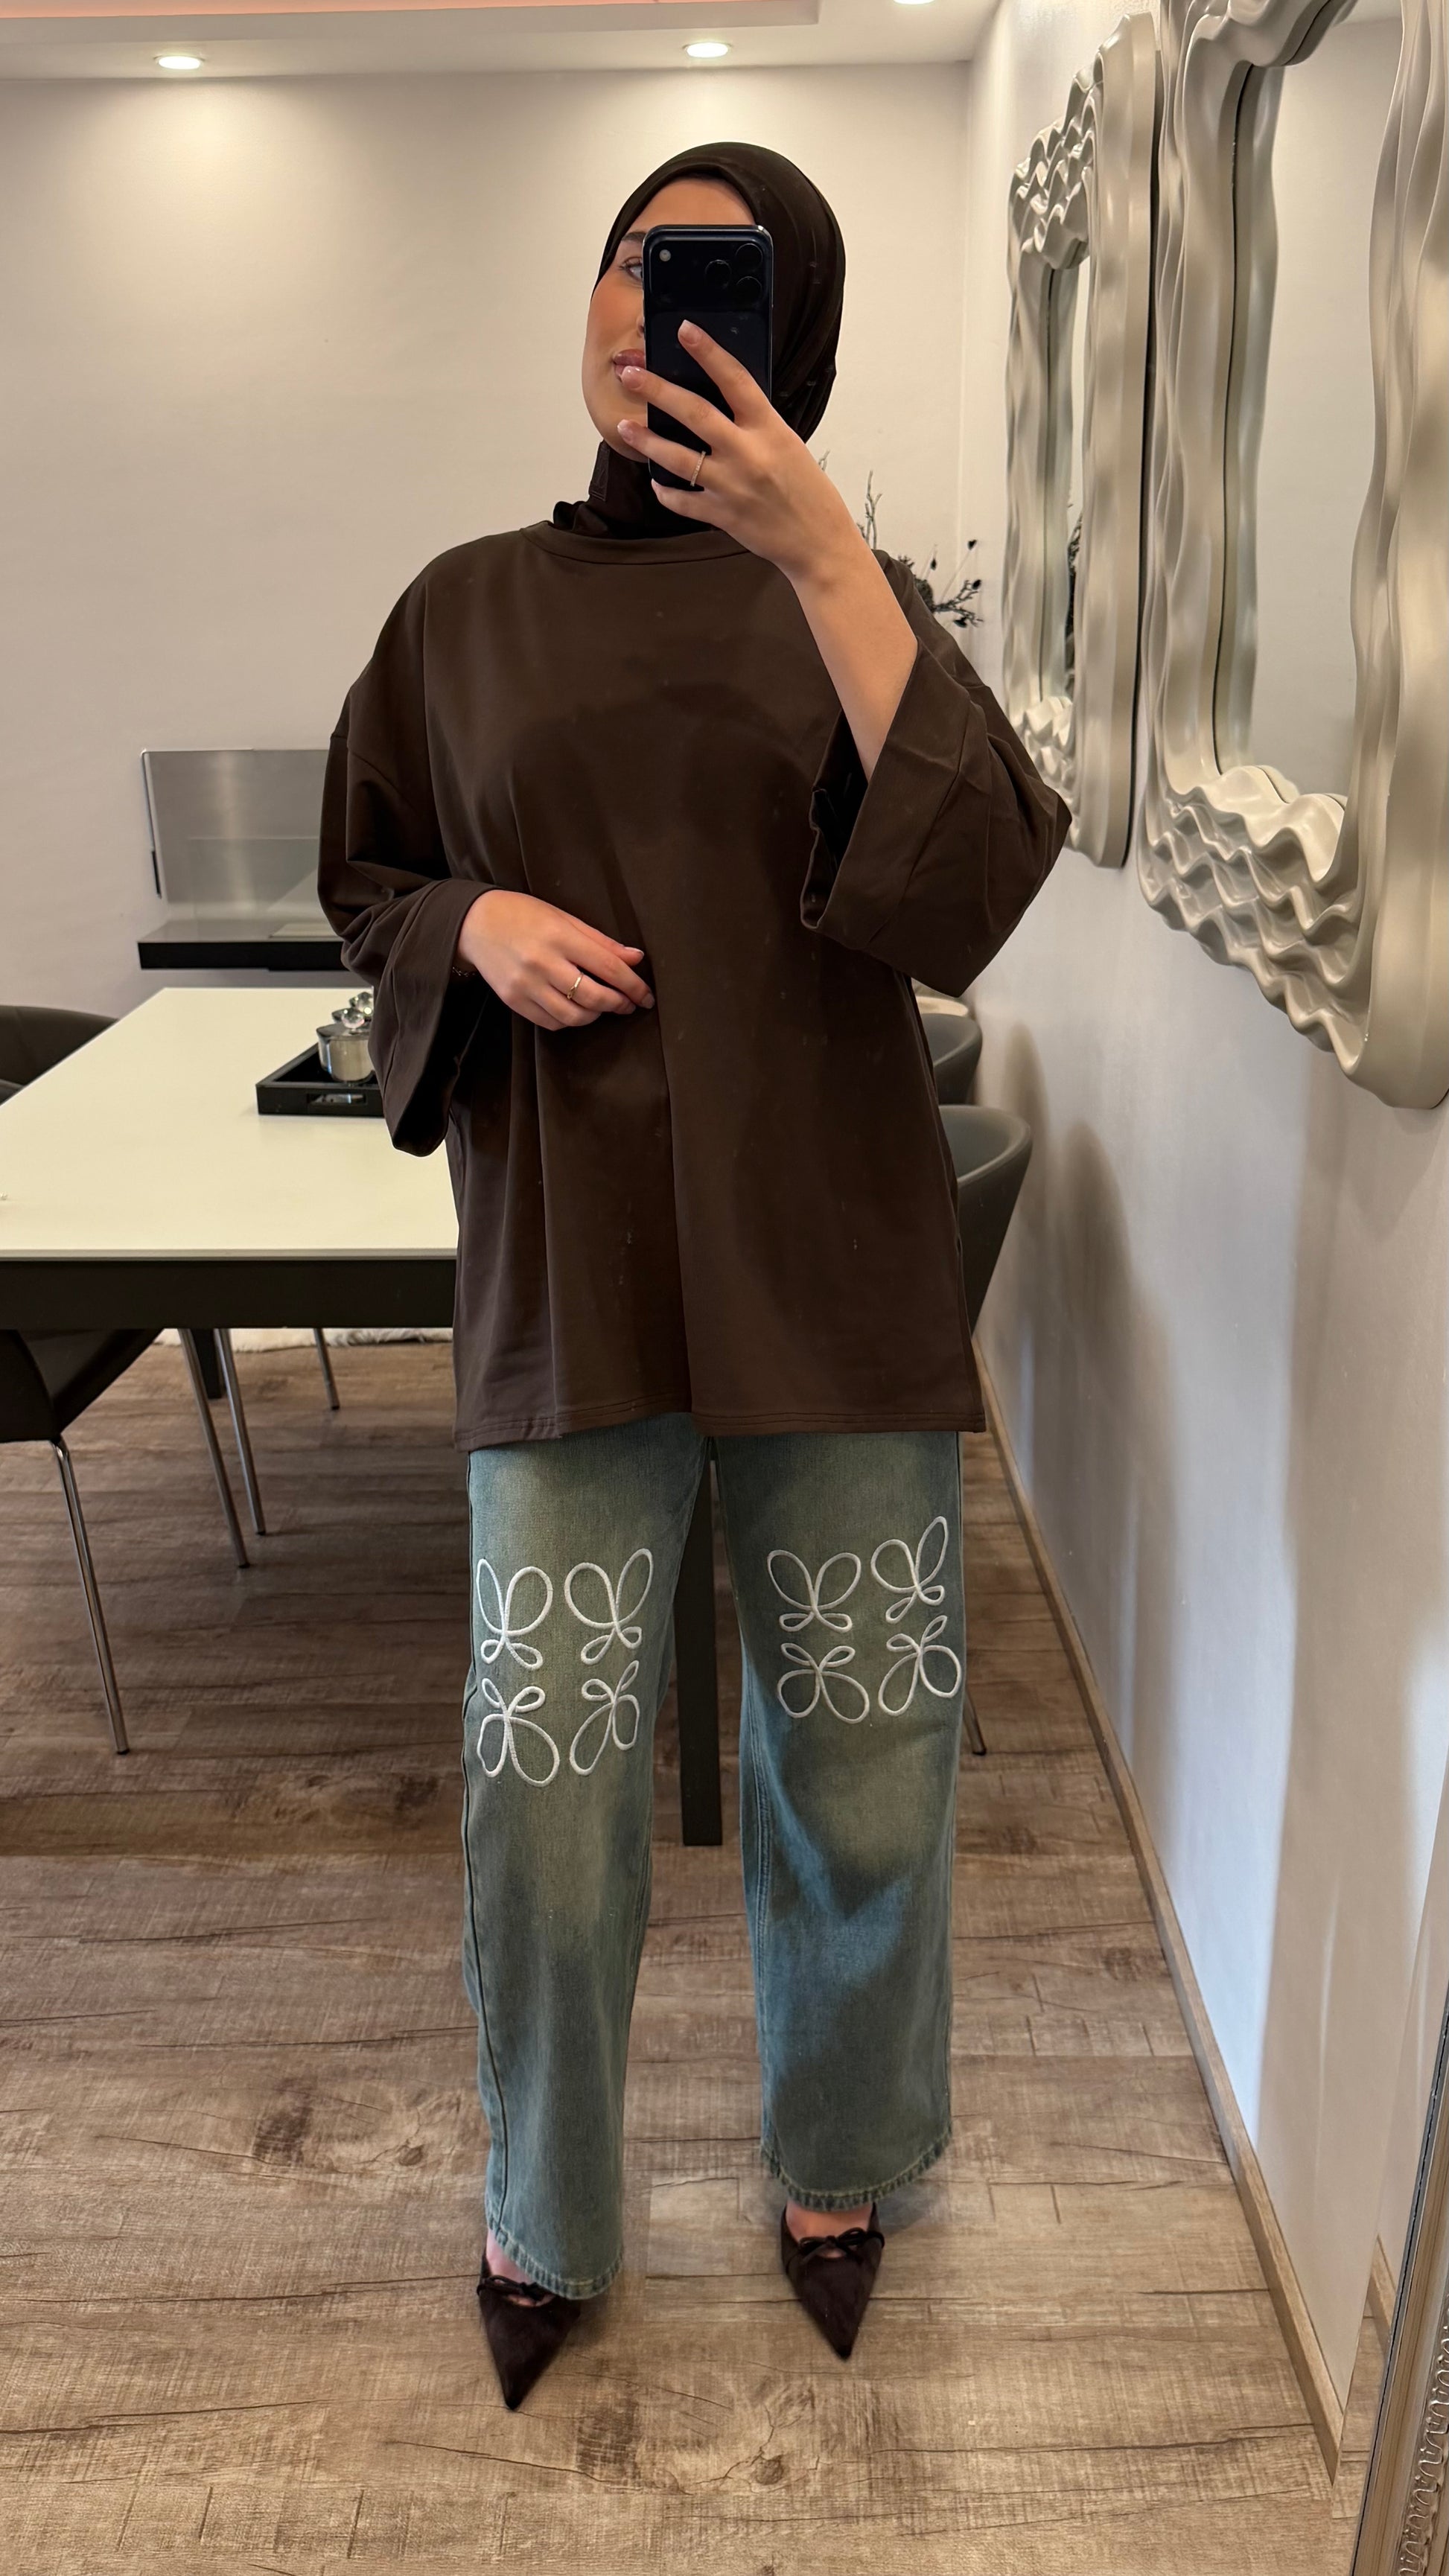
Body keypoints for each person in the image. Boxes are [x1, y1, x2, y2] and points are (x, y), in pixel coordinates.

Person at [319, 141, 1070, 2411]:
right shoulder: (461, 610)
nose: (652, 303)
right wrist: (467, 924)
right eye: (632, 260)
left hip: (827, 1257)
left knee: (864, 1761)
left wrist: (823, 553)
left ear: (789, 337)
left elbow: (975, 886)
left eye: (712, 274)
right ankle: (540, 2200)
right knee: (545, 1781)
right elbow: (364, 872)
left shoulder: (858, 598)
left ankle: (839, 2156)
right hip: (573, 1260)